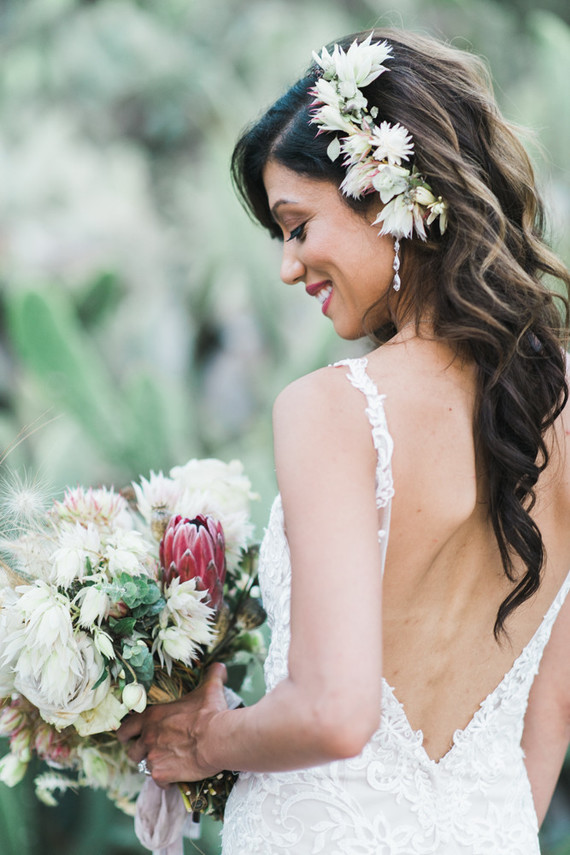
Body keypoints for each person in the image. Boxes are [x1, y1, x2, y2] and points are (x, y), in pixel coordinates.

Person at [117, 28, 570, 854]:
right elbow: (555, 706)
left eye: (297, 225)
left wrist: (202, 739)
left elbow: (334, 709)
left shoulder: (337, 407)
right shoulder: (562, 412)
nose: (290, 268)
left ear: (383, 197)